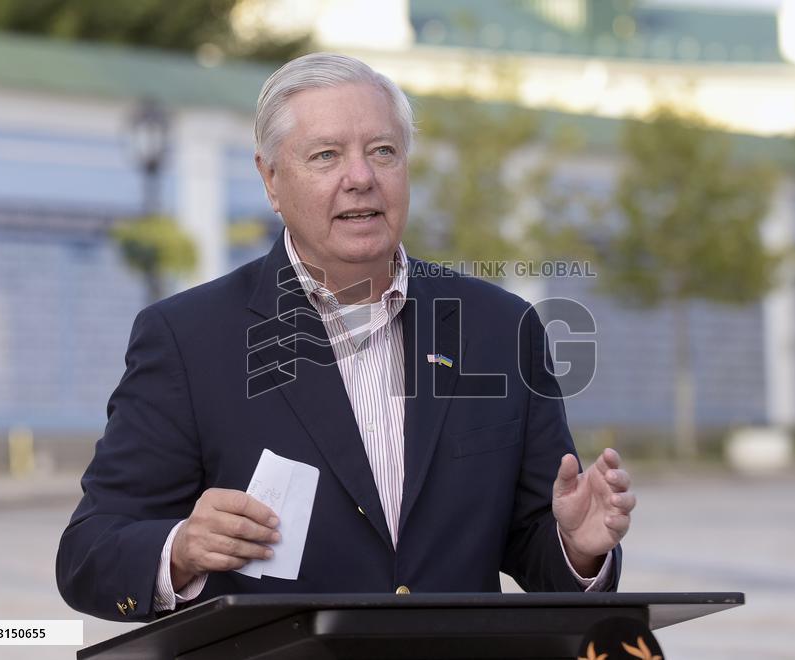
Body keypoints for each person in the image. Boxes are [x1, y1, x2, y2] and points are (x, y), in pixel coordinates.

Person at [56, 53, 635, 623]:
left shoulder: (502, 328)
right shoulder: (188, 339)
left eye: (383, 151)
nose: (360, 178)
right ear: (271, 179)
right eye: (326, 155)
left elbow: (535, 542)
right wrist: (180, 549)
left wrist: (578, 547)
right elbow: (89, 552)